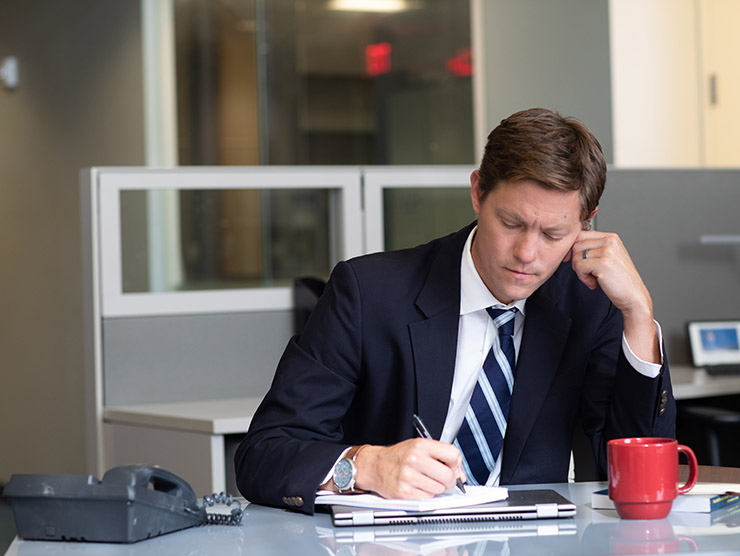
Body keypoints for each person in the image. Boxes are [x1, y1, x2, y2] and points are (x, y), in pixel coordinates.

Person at [234, 108, 676, 515]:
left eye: (554, 233)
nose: (527, 253)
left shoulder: (588, 306)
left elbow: (637, 469)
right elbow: (264, 454)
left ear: (586, 224)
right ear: (478, 192)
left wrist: (638, 314)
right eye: (511, 223)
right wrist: (367, 467)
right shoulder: (370, 292)